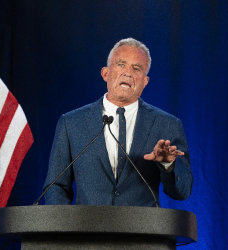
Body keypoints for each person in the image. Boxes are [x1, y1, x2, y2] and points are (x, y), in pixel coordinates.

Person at [43, 38, 193, 207]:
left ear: (145, 82)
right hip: (86, 231)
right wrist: (64, 229)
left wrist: (167, 164)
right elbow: (56, 186)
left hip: (143, 232)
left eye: (137, 68)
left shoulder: (168, 125)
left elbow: (183, 191)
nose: (128, 73)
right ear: (105, 73)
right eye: (121, 64)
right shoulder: (71, 123)